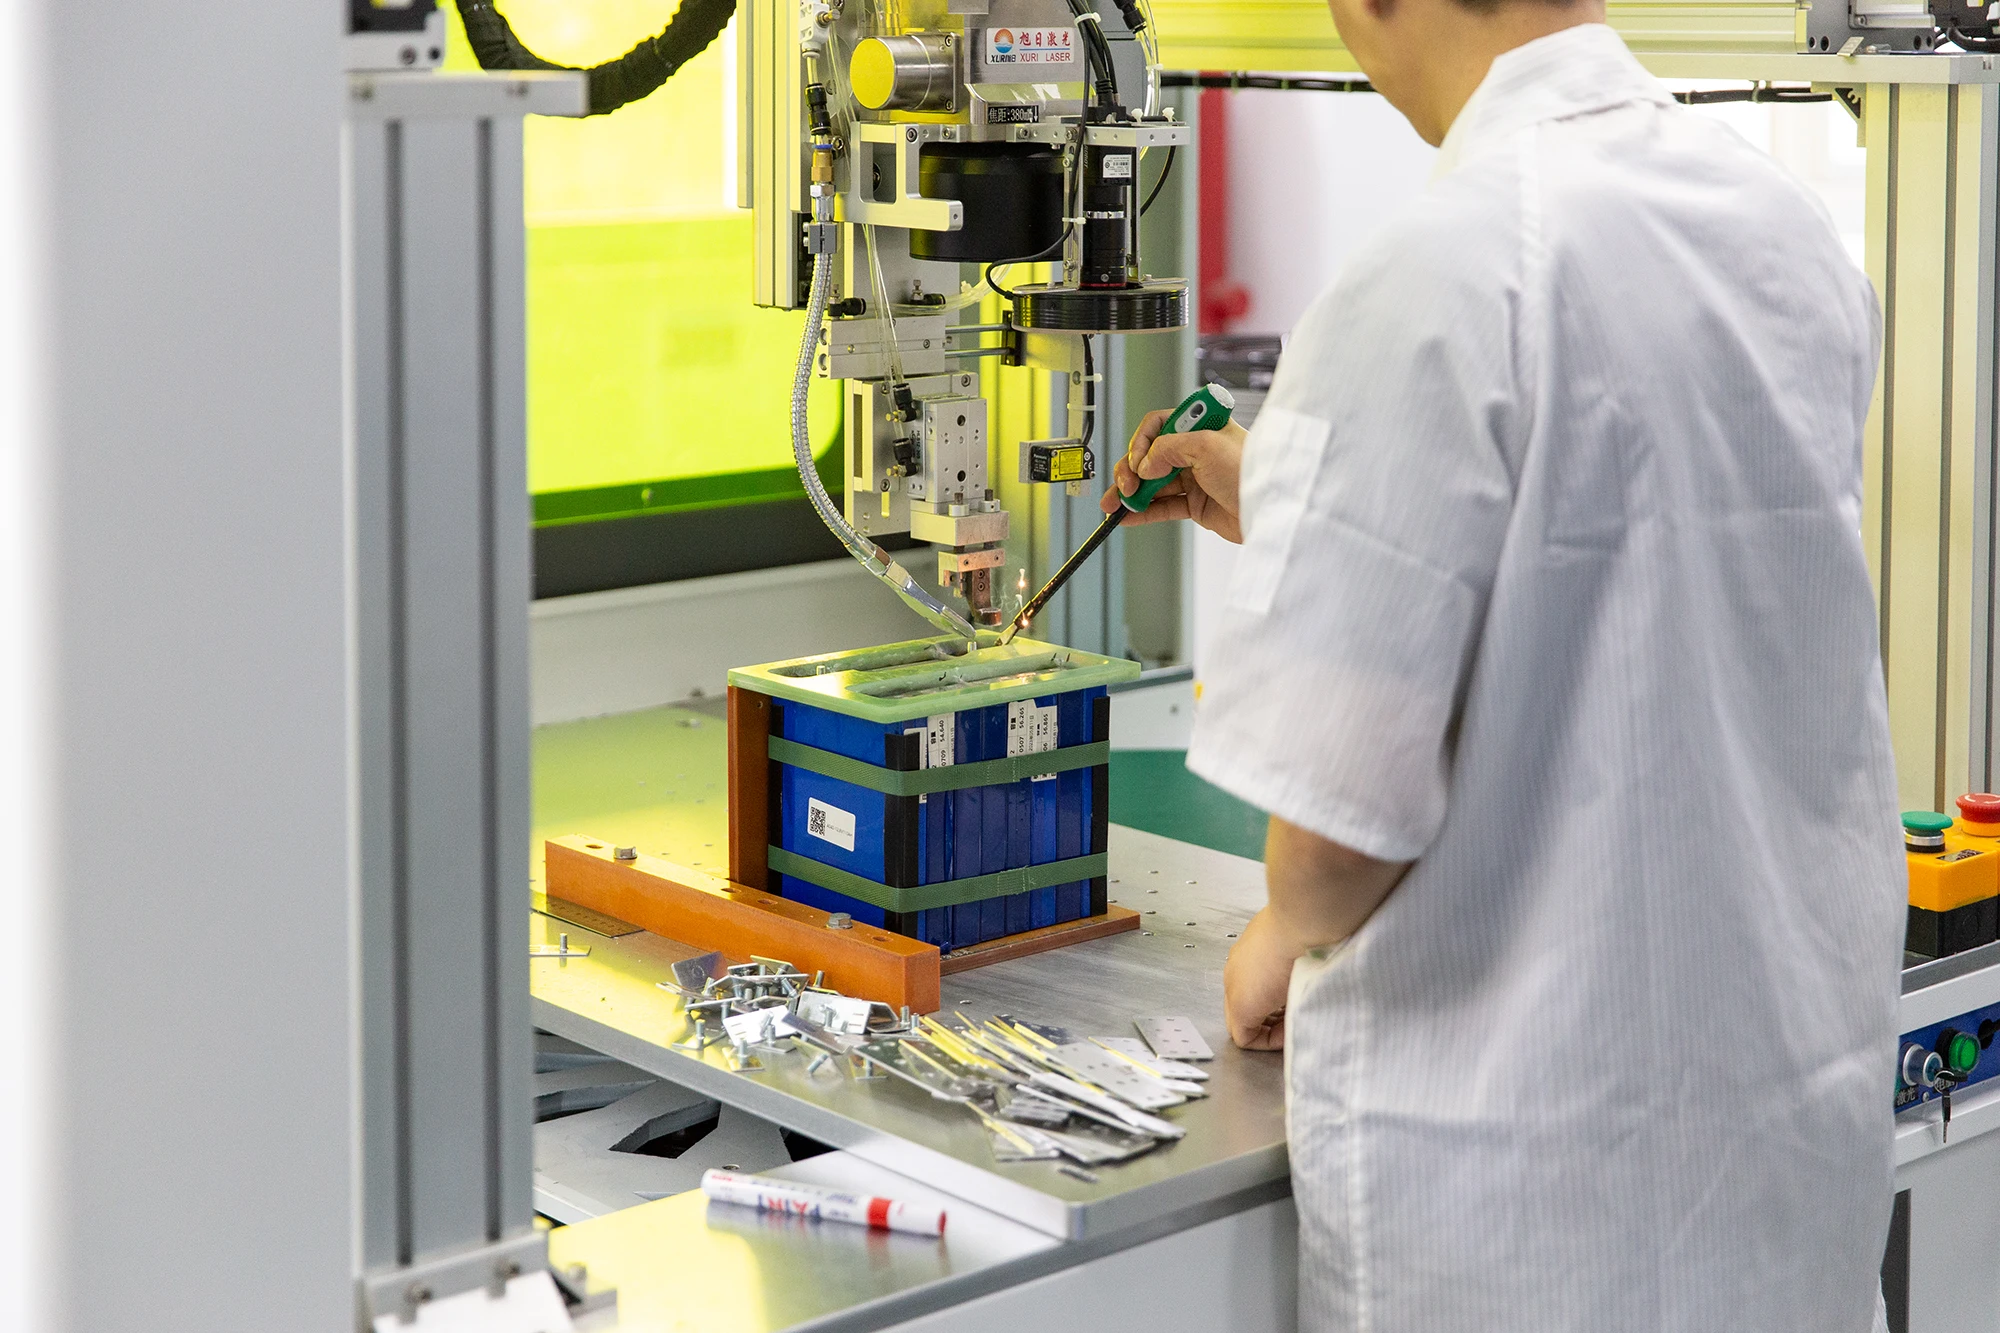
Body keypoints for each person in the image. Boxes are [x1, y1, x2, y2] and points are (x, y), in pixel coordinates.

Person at [1105, 1, 1903, 1329]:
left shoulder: (1436, 275)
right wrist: (1313, 504)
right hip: (1780, 1176)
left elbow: (1332, 849)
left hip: (1538, 1210)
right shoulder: (1776, 225)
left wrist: (1277, 939)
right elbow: (1645, 558)